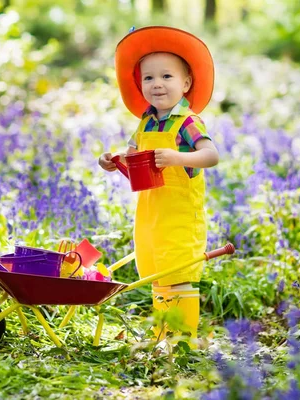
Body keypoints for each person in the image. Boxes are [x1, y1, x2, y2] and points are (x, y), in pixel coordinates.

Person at [98, 26, 219, 344]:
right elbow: (132, 153)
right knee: (156, 270)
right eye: (149, 78)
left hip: (179, 214)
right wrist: (114, 160)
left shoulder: (187, 122)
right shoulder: (147, 121)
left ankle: (181, 342)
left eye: (167, 76)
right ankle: (162, 335)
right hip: (151, 212)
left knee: (177, 271)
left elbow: (210, 155)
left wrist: (177, 158)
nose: (157, 84)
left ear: (186, 83)